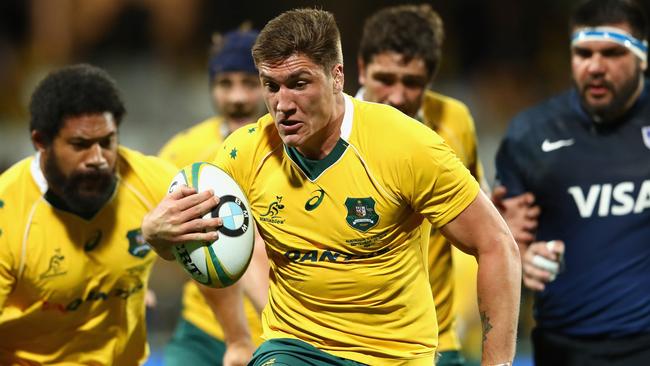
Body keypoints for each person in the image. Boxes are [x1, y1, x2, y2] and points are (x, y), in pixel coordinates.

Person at [142, 8, 521, 366]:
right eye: (271, 86)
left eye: (298, 83)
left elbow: (496, 244)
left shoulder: (407, 146)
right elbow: (198, 243)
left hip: (395, 354)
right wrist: (158, 235)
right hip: (296, 345)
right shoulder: (245, 152)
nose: (282, 104)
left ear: (337, 76)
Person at [494, 0, 650, 364]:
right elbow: (509, 238)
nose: (595, 67)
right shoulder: (530, 135)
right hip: (563, 347)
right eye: (583, 53)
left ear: (643, 57)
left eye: (612, 53)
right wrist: (522, 255)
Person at [0, 64, 177, 364]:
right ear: (41, 142)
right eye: (80, 145)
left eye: (107, 142)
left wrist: (238, 337)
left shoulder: (151, 180)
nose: (97, 159)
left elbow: (218, 247)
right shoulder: (9, 213)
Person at [356, 5, 487, 364]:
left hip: (437, 344)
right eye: (385, 78)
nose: (397, 96)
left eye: (412, 82)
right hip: (352, 345)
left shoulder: (454, 121)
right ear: (361, 68)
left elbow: (482, 218)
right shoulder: (326, 133)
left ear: (430, 78)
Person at [159, 26, 269, 366]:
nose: (237, 97)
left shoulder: (296, 149)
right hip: (203, 329)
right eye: (225, 84)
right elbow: (148, 227)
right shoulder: (183, 152)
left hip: (279, 333)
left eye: (250, 83)